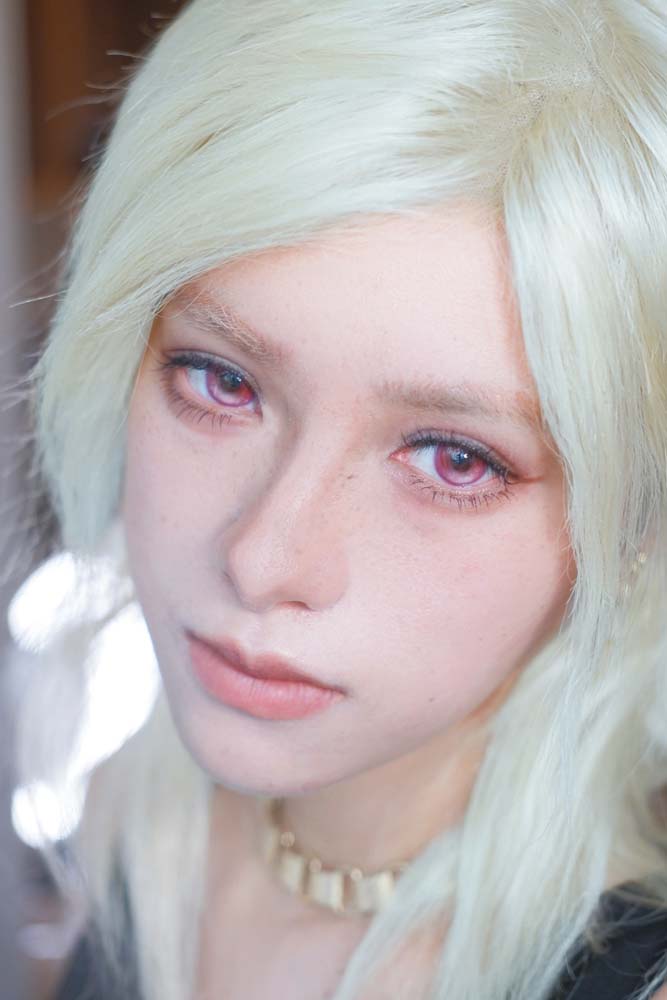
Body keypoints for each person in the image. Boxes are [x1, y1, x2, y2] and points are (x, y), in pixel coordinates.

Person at [9, 0, 667, 997]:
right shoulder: (132, 820)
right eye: (221, 381)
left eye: (453, 459)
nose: (262, 560)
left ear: (629, 517)